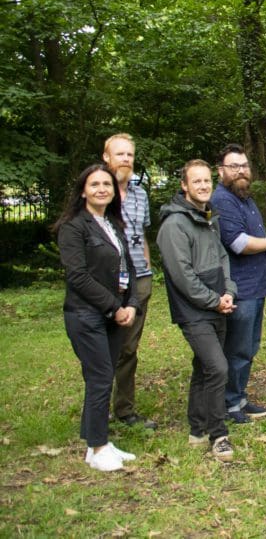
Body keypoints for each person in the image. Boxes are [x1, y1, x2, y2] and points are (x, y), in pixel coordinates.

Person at [55, 164, 138, 472]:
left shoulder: (112, 224)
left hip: (114, 314)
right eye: (94, 184)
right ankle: (98, 446)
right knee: (100, 377)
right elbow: (78, 276)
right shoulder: (73, 227)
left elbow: (127, 268)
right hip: (86, 314)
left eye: (107, 184)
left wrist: (131, 304)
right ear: (83, 191)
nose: (102, 189)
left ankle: (96, 443)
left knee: (103, 377)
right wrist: (114, 307)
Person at [157, 160, 237, 461]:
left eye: (206, 181)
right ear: (184, 185)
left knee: (203, 367)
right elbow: (183, 276)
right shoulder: (174, 225)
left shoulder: (208, 217)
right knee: (218, 368)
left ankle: (197, 428)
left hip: (218, 304)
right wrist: (213, 300)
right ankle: (219, 435)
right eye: (196, 181)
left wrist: (228, 292)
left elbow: (222, 258)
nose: (203, 186)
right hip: (193, 311)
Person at [211, 144, 266, 424]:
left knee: (249, 346)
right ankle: (229, 403)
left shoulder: (244, 197)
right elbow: (238, 243)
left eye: (244, 166)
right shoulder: (223, 200)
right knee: (237, 348)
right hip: (240, 288)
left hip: (256, 286)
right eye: (234, 166)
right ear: (221, 171)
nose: (241, 171)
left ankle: (239, 397)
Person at [102, 133, 157, 430]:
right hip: (106, 283)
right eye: (120, 154)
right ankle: (97, 412)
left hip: (139, 281)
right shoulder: (98, 191)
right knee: (102, 348)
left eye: (129, 155)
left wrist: (146, 267)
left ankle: (124, 409)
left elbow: (141, 234)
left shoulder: (140, 195)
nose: (125, 159)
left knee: (128, 348)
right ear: (106, 157)